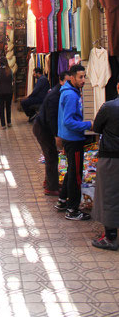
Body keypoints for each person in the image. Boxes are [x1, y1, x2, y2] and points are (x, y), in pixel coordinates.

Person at [55, 64, 92, 220]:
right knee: (76, 175)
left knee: (71, 171)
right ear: (72, 77)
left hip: (69, 137)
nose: (83, 80)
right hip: (73, 138)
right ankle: (73, 210)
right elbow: (68, 121)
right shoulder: (71, 95)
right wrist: (88, 124)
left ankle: (63, 201)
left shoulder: (70, 92)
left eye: (84, 76)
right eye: (80, 77)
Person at [91, 76, 119, 250]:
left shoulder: (109, 107)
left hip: (111, 157)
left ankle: (110, 236)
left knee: (109, 195)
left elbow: (96, 128)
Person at [32, 70, 70, 195]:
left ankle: (49, 182)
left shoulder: (60, 92)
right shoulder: (56, 95)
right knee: (51, 156)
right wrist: (57, 135)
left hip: (44, 127)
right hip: (42, 128)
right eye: (67, 81)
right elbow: (51, 117)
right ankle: (51, 187)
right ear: (61, 81)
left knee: (51, 155)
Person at [0, 57, 13, 129]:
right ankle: (9, 122)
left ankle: (3, 124)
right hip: (9, 90)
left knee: (1, 108)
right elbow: (12, 79)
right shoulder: (10, 70)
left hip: (0, 91)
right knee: (8, 107)